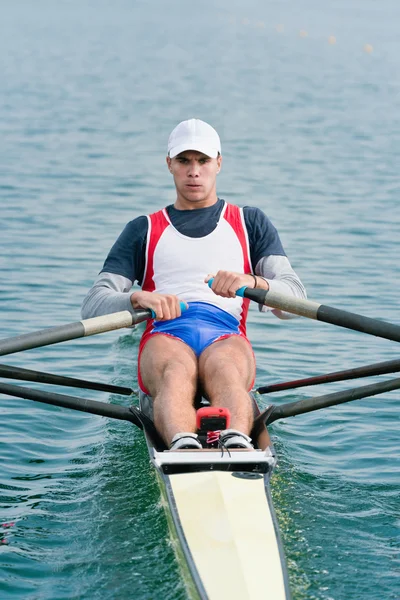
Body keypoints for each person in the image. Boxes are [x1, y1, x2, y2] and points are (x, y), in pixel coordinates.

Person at [81, 118, 306, 450]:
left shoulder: (249, 222)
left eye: (202, 161)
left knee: (227, 372)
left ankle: (236, 442)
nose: (194, 171)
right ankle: (184, 447)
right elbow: (93, 304)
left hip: (225, 332)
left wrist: (253, 281)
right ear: (169, 164)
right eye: (184, 161)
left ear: (219, 163)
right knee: (174, 374)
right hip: (165, 332)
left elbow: (295, 301)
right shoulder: (143, 229)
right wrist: (139, 298)